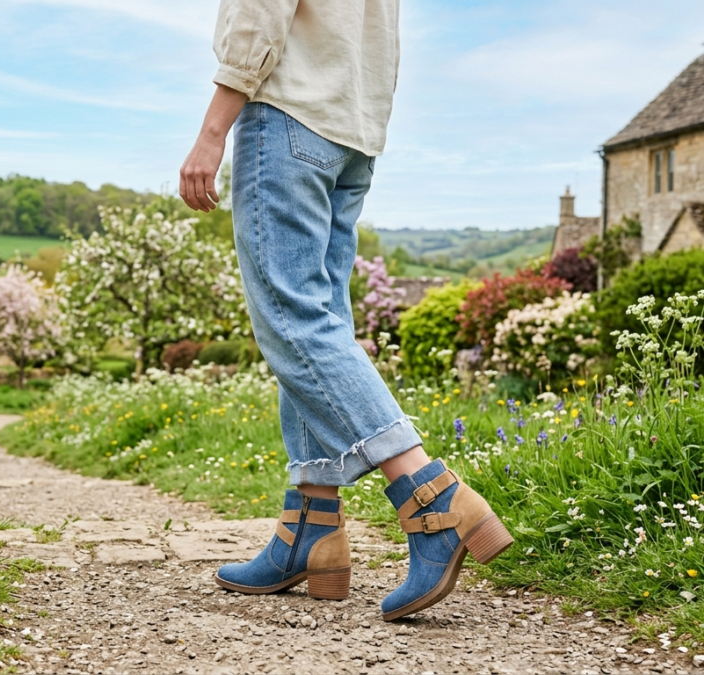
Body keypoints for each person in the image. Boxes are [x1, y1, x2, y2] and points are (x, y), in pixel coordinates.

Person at [179, 0, 513, 621]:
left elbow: (258, 13)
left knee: (291, 319)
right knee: (320, 321)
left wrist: (211, 131)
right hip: (352, 132)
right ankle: (313, 527)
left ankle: (431, 496)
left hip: (287, 120)